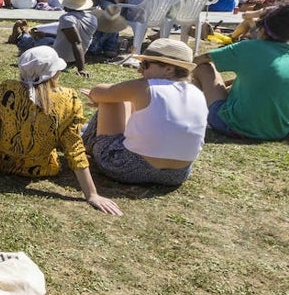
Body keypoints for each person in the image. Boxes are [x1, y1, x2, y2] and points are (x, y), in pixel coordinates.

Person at [0, 46, 122, 215]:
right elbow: (74, 148)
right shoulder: (69, 99)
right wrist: (91, 194)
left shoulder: (6, 89)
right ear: (53, 73)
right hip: (41, 169)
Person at [81, 39, 206, 186]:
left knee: (113, 100)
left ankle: (86, 143)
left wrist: (105, 100)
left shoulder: (144, 87)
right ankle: (87, 138)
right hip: (177, 174)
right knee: (127, 101)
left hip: (127, 167)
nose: (139, 70)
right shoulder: (197, 93)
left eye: (145, 65)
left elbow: (97, 92)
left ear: (168, 69)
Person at [192, 4, 289, 141]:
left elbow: (198, 60)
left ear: (261, 29)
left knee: (204, 67)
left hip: (233, 126)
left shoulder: (248, 47)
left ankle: (190, 107)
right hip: (278, 132)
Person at [15, 0, 98, 77]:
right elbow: (72, 38)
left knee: (28, 40)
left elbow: (76, 42)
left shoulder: (67, 19)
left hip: (59, 57)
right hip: (75, 58)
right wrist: (46, 34)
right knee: (45, 37)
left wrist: (81, 69)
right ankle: (26, 32)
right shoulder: (92, 19)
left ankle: (22, 33)